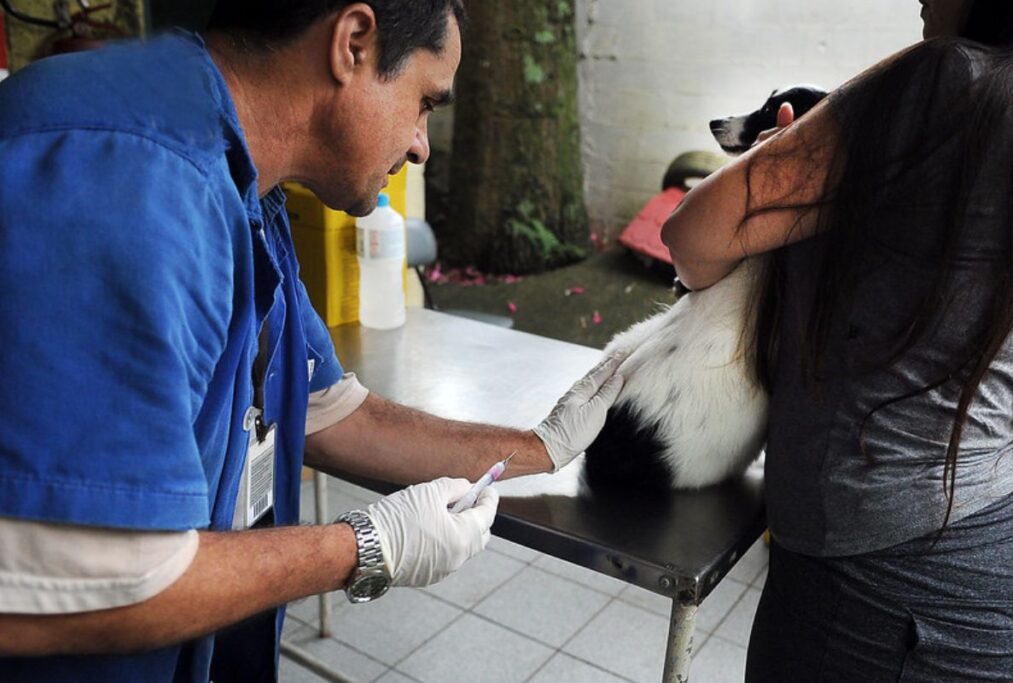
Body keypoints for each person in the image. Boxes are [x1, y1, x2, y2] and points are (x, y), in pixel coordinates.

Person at [0, 1, 624, 680]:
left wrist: (543, 446)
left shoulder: (244, 182)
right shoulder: (128, 178)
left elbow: (332, 408)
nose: (419, 142)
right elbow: (74, 583)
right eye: (423, 102)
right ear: (352, 43)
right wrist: (364, 544)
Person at [663, 0, 1013, 680]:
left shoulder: (948, 78)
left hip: (876, 587)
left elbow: (693, 236)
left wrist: (809, 186)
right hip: (991, 556)